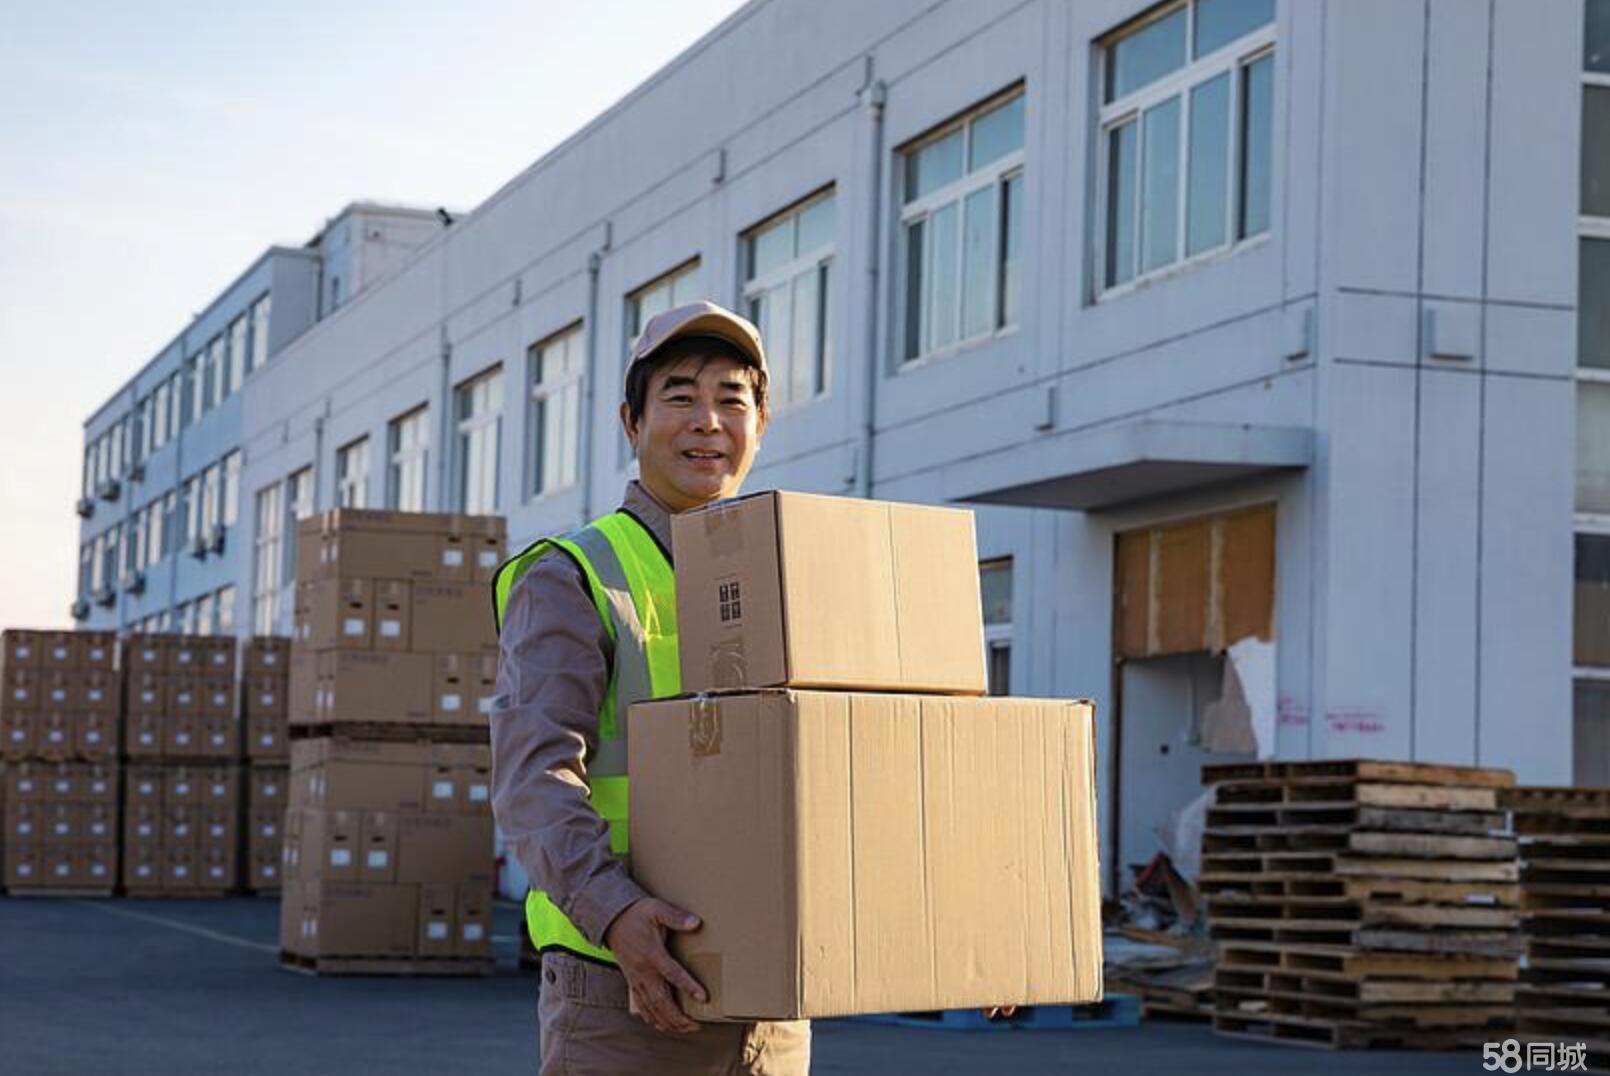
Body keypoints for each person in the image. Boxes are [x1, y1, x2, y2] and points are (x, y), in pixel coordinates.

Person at [490, 300, 811, 1075]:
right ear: (631, 423)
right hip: (623, 993)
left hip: (773, 1007)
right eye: (680, 397)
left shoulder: (793, 575)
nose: (708, 422)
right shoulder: (574, 575)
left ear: (761, 424)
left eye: (732, 399)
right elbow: (532, 779)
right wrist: (617, 912)